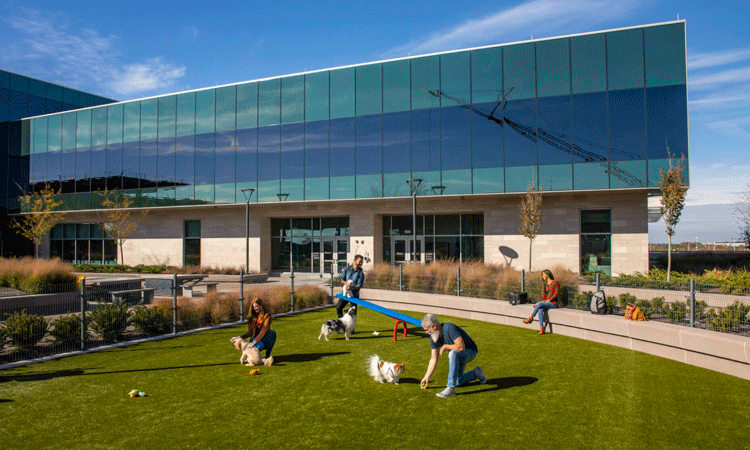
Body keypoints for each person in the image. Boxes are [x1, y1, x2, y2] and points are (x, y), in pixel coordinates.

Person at [420, 314, 486, 398]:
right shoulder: (433, 337)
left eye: (427, 329)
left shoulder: (449, 328)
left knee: (452, 353)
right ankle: (477, 372)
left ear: (434, 326)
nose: (426, 332)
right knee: (458, 381)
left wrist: (445, 346)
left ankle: (450, 388)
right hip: (458, 355)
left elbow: (461, 347)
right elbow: (433, 359)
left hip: (470, 351)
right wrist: (426, 377)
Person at [522, 269, 560, 335]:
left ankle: (531, 317)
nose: (542, 276)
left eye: (543, 275)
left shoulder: (555, 282)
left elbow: (556, 294)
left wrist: (549, 300)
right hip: (546, 303)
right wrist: (539, 303)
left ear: (547, 275)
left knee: (539, 305)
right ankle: (542, 329)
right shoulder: (546, 285)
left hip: (553, 303)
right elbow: (544, 296)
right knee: (540, 310)